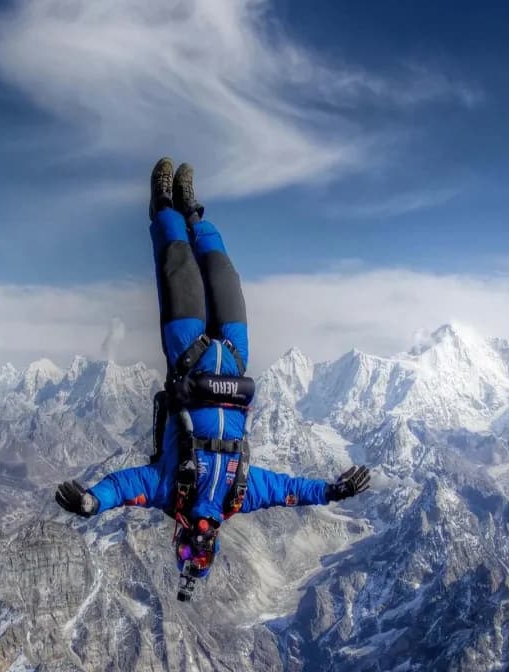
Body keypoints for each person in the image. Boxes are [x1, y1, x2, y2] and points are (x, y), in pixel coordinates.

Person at [56, 158, 370, 600]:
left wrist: (92, 501)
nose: (197, 549)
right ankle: (192, 210)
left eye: (189, 556)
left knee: (179, 265)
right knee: (224, 274)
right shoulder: (238, 497)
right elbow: (289, 490)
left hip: (189, 357)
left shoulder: (171, 491)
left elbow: (127, 487)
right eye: (202, 557)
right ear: (215, 548)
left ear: (179, 543)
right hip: (233, 359)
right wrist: (332, 492)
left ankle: (163, 202)